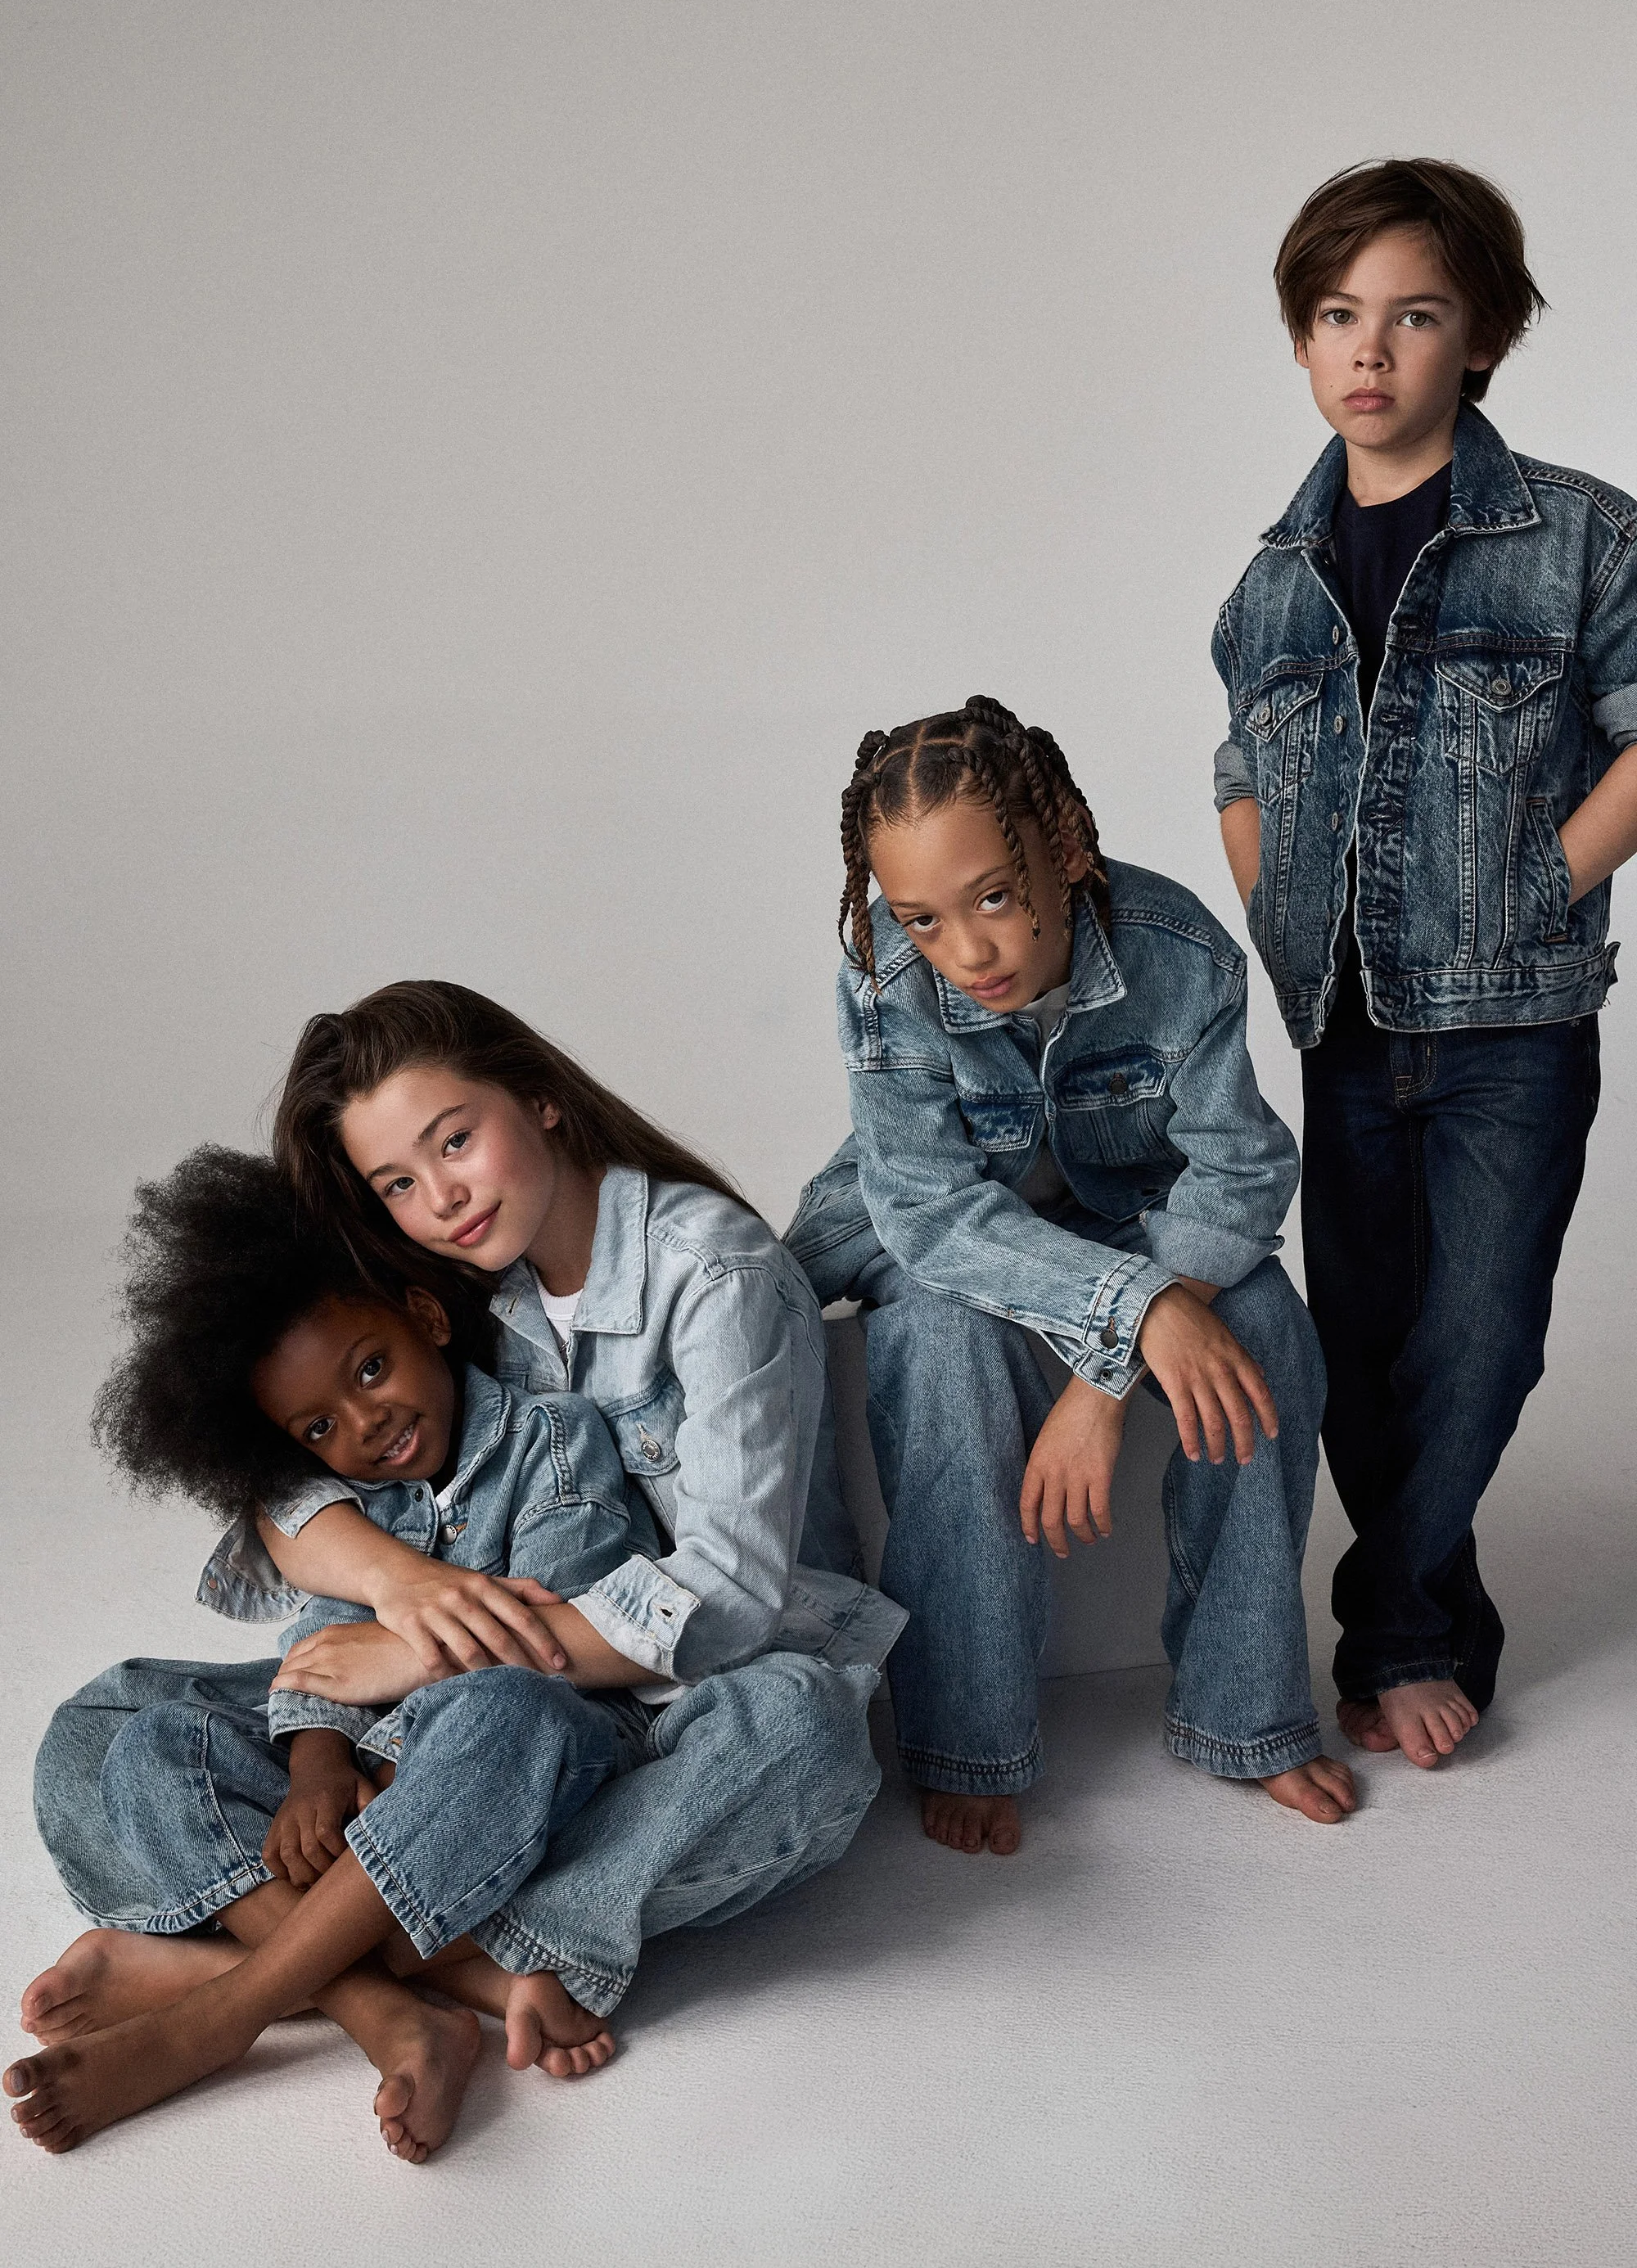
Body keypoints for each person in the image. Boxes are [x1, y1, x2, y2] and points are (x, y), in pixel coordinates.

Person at [14, 1148, 882, 2158]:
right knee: (123, 1735)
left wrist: (394, 1762)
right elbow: (315, 1645)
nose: (368, 1420)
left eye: (371, 1370)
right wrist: (319, 1768)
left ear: (426, 1319)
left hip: (545, 1733)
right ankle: (408, 2000)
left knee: (789, 1728)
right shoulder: (353, 1494)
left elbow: (540, 1646)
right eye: (322, 1425)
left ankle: (228, 1998)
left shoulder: (551, 1441)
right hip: (392, 1771)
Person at [1211, 158, 1637, 1769]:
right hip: (1340, 1022)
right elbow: (1239, 771)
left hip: (1510, 1016)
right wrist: (1277, 928)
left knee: (1481, 1332)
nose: (1368, 348)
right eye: (1336, 315)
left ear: (1483, 339)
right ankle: (1414, 1628)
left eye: (1412, 313)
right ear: (1304, 342)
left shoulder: (1579, 534)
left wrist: (1544, 884)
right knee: (1365, 1345)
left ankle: (1386, 1623)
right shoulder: (1269, 581)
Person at [786, 694, 1351, 1857]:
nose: (966, 951)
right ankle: (970, 1735)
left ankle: (1244, 1711)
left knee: (1269, 1341)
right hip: (938, 1225)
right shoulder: (885, 977)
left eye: (992, 895)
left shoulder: (1177, 949)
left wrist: (1105, 1372)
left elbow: (1240, 1170)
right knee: (939, 1350)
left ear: (1068, 849)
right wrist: (1133, 1312)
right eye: (922, 918)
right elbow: (931, 1209)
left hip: (1142, 1225)